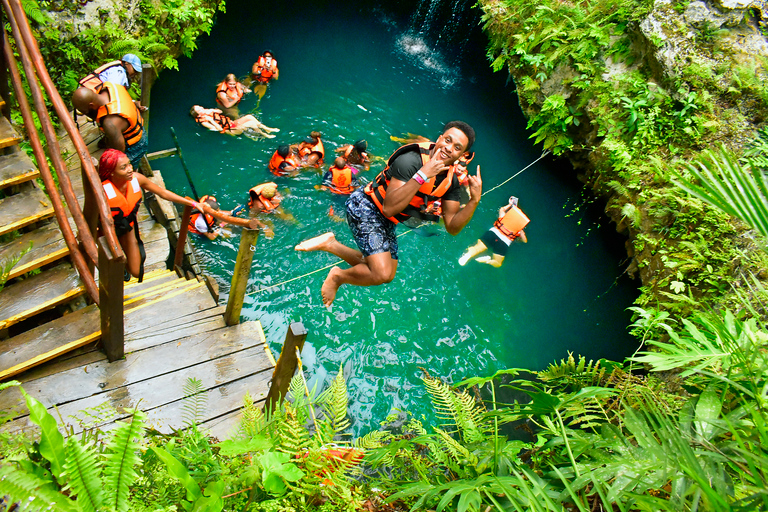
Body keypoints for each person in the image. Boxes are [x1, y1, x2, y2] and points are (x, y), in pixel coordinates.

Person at [295, 121, 481, 306]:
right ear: (439, 139)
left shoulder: (451, 181)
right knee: (380, 272)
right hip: (365, 206)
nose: (449, 148)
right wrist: (423, 174)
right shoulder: (411, 160)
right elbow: (389, 208)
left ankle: (330, 244)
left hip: (386, 220)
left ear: (462, 155)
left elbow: (453, 227)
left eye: (457, 147)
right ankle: (337, 277)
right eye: (447, 140)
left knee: (387, 274)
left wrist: (474, 200)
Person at [98, 148, 200, 281]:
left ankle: (125, 267)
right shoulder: (102, 191)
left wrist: (193, 204)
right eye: (123, 168)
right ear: (111, 173)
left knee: (136, 272)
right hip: (108, 229)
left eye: (129, 164)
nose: (130, 169)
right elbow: (91, 216)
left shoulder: (137, 179)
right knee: (112, 263)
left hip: (128, 225)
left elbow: (163, 193)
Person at [72, 83, 147, 169]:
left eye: (84, 111)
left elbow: (119, 154)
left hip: (136, 144)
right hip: (135, 123)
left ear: (91, 105)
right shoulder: (109, 86)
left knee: (118, 170)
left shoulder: (110, 123)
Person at [459, 196, 529, 268]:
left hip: (492, 234)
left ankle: (468, 255)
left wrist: (510, 205)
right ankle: (488, 260)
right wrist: (521, 230)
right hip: (503, 243)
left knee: (477, 248)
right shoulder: (519, 230)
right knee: (498, 263)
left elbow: (502, 209)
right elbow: (525, 241)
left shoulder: (503, 216)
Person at [189, 105, 278, 138]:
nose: (202, 108)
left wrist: (212, 110)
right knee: (251, 123)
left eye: (200, 107)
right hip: (229, 130)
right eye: (199, 110)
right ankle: (265, 134)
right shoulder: (204, 122)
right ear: (199, 115)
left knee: (249, 117)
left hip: (231, 123)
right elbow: (219, 129)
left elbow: (220, 112)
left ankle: (267, 129)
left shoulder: (208, 111)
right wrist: (211, 120)